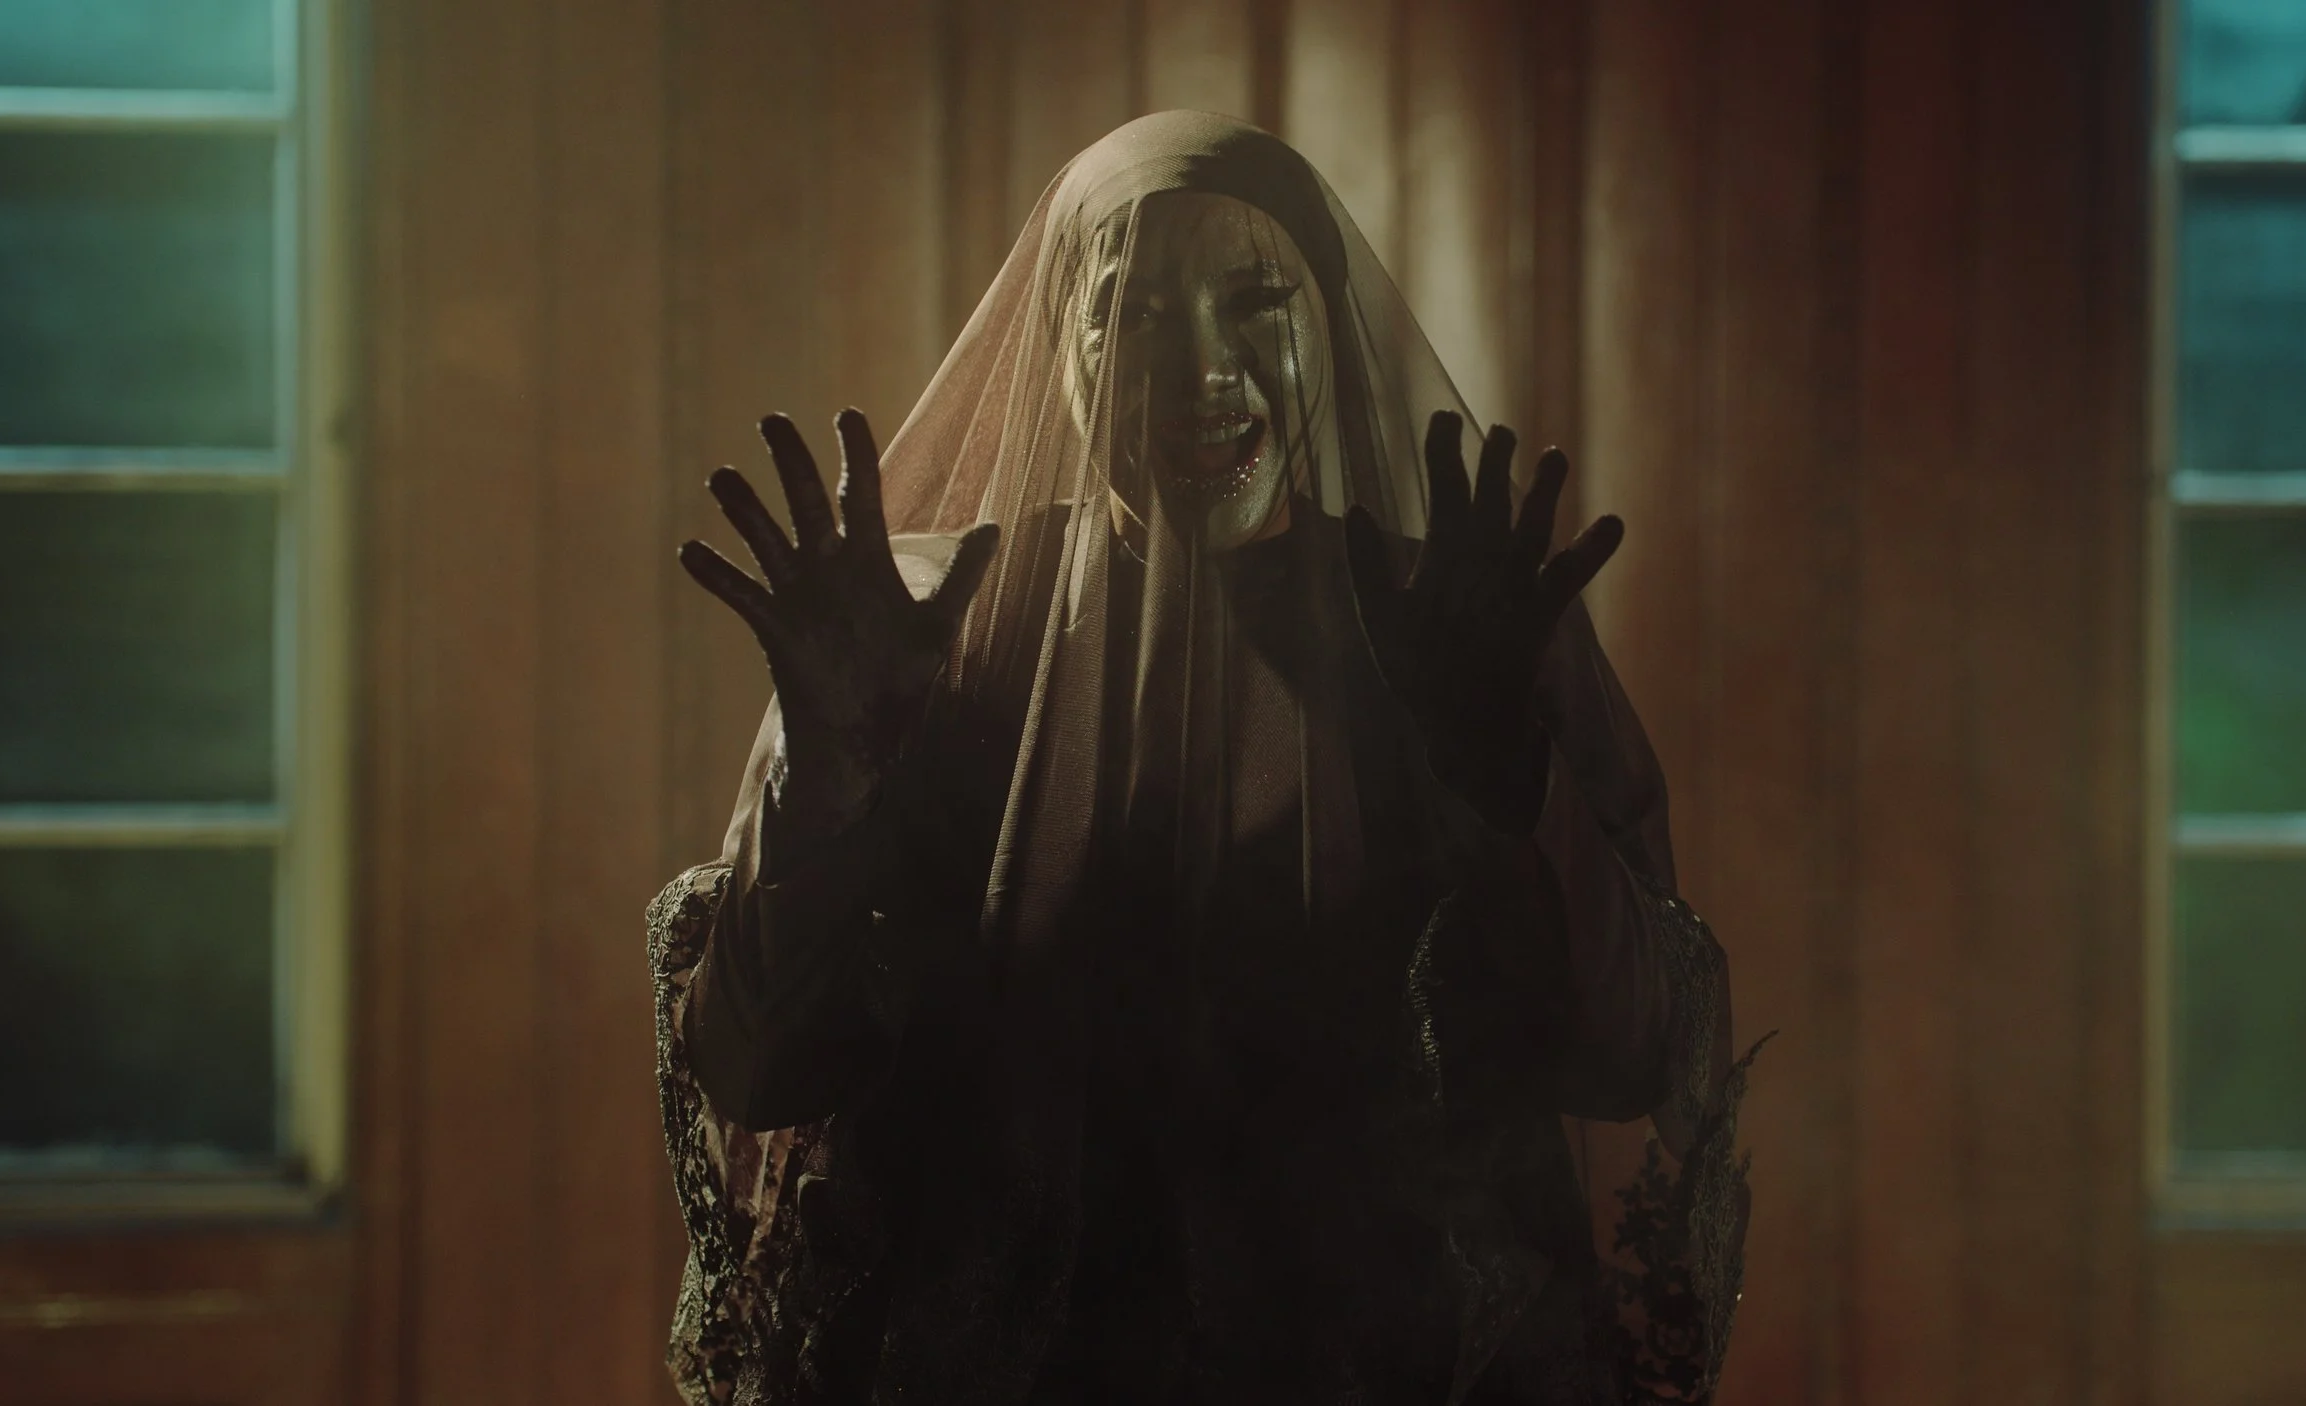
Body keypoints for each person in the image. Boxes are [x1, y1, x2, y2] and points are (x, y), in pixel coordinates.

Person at [647, 110, 1757, 1405]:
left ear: (1328, 325)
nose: (1203, 369)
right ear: (1059, 346)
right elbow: (755, 1066)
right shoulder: (921, 635)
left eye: (1257, 299)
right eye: (1134, 311)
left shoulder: (1464, 630)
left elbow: (1633, 1056)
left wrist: (1507, 774)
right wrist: (827, 785)